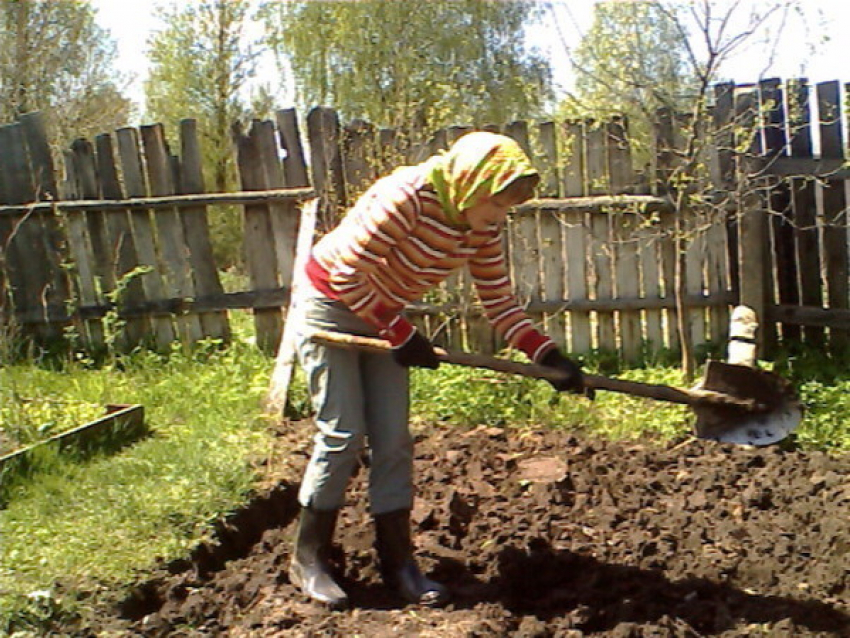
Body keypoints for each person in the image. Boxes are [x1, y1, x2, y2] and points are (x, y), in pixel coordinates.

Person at [289, 131, 586, 609]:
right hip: (331, 303)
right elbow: (345, 274)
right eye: (498, 204)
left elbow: (498, 300)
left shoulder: (479, 228)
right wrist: (399, 332)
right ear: (470, 184)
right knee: (343, 434)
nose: (500, 217)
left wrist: (547, 355)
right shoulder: (404, 198)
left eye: (507, 209)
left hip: (383, 312)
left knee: (392, 438)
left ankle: (399, 564)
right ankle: (309, 559)